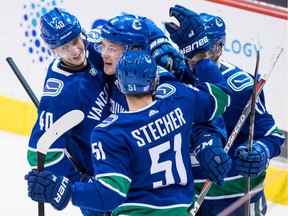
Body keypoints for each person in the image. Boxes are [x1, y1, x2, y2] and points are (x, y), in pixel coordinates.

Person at [25, 50, 232, 215]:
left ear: (119, 85)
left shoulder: (110, 132)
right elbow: (221, 96)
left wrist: (66, 190)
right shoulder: (180, 99)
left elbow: (111, 194)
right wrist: (202, 57)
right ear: (154, 82)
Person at [165, 5, 286, 215]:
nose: (192, 58)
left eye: (205, 48)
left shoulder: (240, 86)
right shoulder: (174, 78)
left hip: (234, 197)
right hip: (186, 197)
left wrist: (260, 152)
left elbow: (272, 135)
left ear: (219, 47)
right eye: (189, 49)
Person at [93, 13, 232, 188]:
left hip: (153, 188)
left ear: (133, 51)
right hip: (123, 182)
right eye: (103, 46)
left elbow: (201, 106)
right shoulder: (108, 69)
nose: (104, 54)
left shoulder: (159, 82)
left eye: (112, 49)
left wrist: (207, 141)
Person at [26, 7, 111, 216]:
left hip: (123, 162)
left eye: (75, 41)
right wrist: (78, 184)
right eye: (64, 48)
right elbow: (40, 153)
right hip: (98, 180)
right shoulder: (59, 95)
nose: (74, 51)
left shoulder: (94, 49)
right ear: (53, 51)